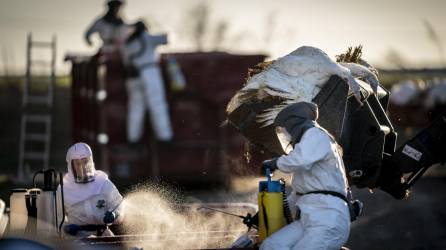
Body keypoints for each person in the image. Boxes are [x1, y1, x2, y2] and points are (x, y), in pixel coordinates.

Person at [259, 102, 350, 250]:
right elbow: (299, 196)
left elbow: (300, 160)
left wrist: (275, 163)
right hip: (309, 220)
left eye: (285, 130)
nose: (286, 136)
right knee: (271, 245)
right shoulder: (307, 152)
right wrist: (270, 210)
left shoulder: (316, 134)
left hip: (328, 219)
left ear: (294, 124)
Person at [59, 142, 124, 237]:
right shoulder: (63, 189)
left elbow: (120, 207)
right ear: (71, 166)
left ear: (91, 161)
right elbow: (56, 219)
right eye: (78, 163)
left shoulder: (103, 183)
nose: (83, 167)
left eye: (85, 162)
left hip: (104, 237)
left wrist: (114, 215)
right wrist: (65, 227)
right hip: (77, 240)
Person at [124, 21, 173, 142]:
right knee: (157, 104)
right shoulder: (147, 37)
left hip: (133, 77)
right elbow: (167, 38)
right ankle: (164, 136)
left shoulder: (128, 43)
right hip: (149, 72)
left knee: (136, 107)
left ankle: (133, 138)